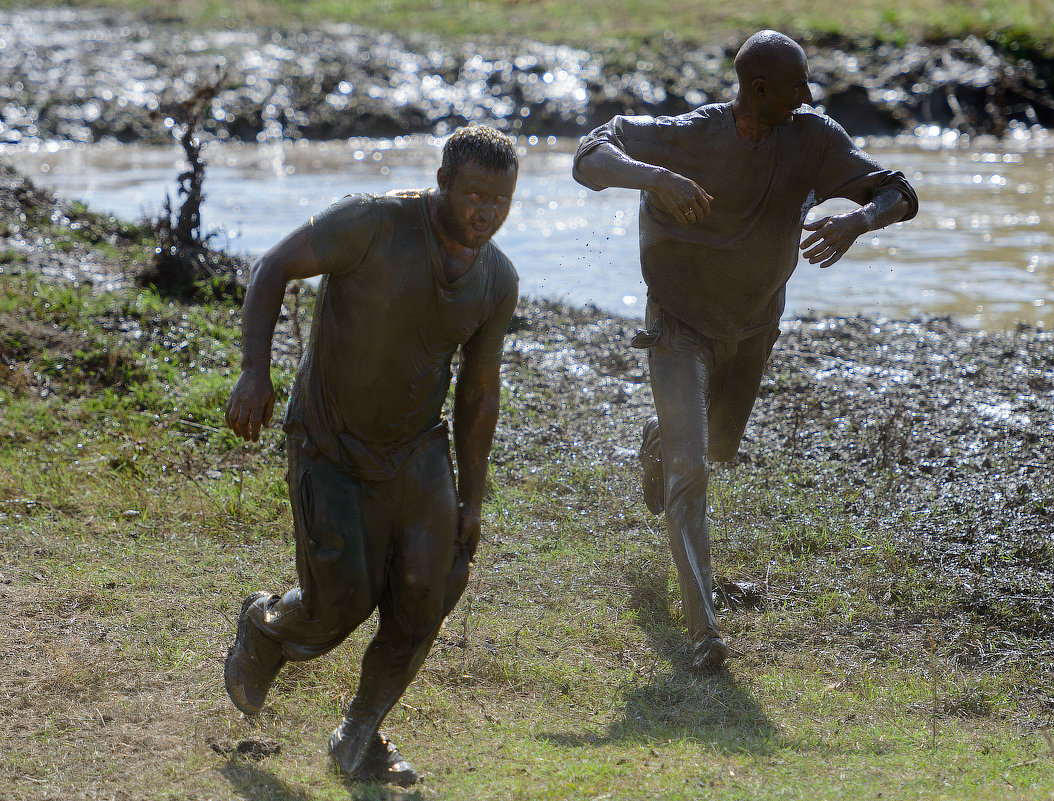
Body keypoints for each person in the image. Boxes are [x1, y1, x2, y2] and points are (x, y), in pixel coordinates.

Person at [572, 30, 918, 673]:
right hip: (677, 324)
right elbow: (589, 154)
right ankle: (705, 636)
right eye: (797, 87)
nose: (809, 96)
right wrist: (656, 178)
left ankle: (661, 436)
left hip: (754, 328)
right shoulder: (691, 135)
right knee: (690, 473)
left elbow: (899, 191)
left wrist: (855, 221)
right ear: (757, 90)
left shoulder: (812, 136)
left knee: (714, 450)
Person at [222, 125, 519, 784]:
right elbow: (273, 267)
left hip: (416, 452)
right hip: (330, 443)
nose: (486, 213)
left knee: (433, 584)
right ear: (442, 182)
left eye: (501, 201)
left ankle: (360, 733)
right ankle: (266, 626)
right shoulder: (371, 222)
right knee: (339, 605)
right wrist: (254, 372)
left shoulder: (497, 279)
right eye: (473, 195)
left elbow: (477, 393)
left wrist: (471, 496)